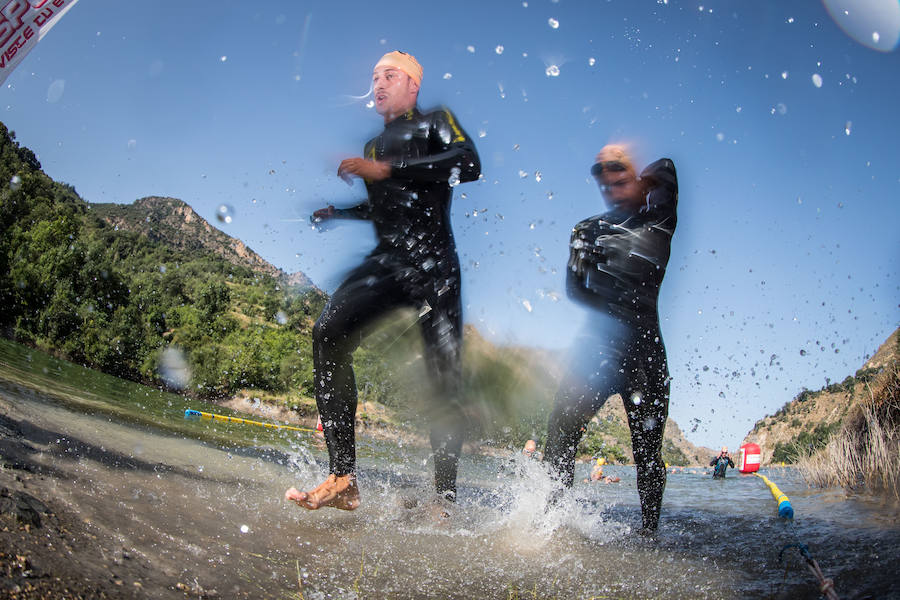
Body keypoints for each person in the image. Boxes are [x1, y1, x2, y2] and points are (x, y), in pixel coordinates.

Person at [285, 51, 481, 511]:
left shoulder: (436, 121)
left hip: (434, 269)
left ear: (413, 85)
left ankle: (444, 500)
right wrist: (340, 213)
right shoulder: (373, 147)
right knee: (328, 333)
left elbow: (469, 164)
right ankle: (343, 478)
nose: (378, 83)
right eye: (374, 76)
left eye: (389, 75)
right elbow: (386, 207)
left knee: (442, 383)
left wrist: (389, 171)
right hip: (388, 262)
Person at [542, 144, 678, 533]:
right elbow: (573, 289)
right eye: (598, 169)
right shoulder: (586, 230)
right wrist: (608, 299)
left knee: (648, 452)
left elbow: (667, 169)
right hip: (596, 351)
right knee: (560, 432)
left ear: (638, 176)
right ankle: (553, 525)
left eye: (615, 166)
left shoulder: (658, 221)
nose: (605, 175)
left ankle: (650, 532)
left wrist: (636, 177)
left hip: (646, 355)